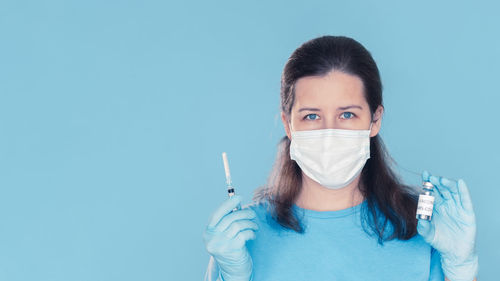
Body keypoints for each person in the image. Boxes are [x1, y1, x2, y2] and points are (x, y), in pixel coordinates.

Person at [202, 35, 478, 281]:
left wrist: (461, 269)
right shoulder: (241, 240)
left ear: (375, 120)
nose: (328, 131)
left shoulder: (424, 230)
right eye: (311, 116)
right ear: (289, 125)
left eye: (347, 114)